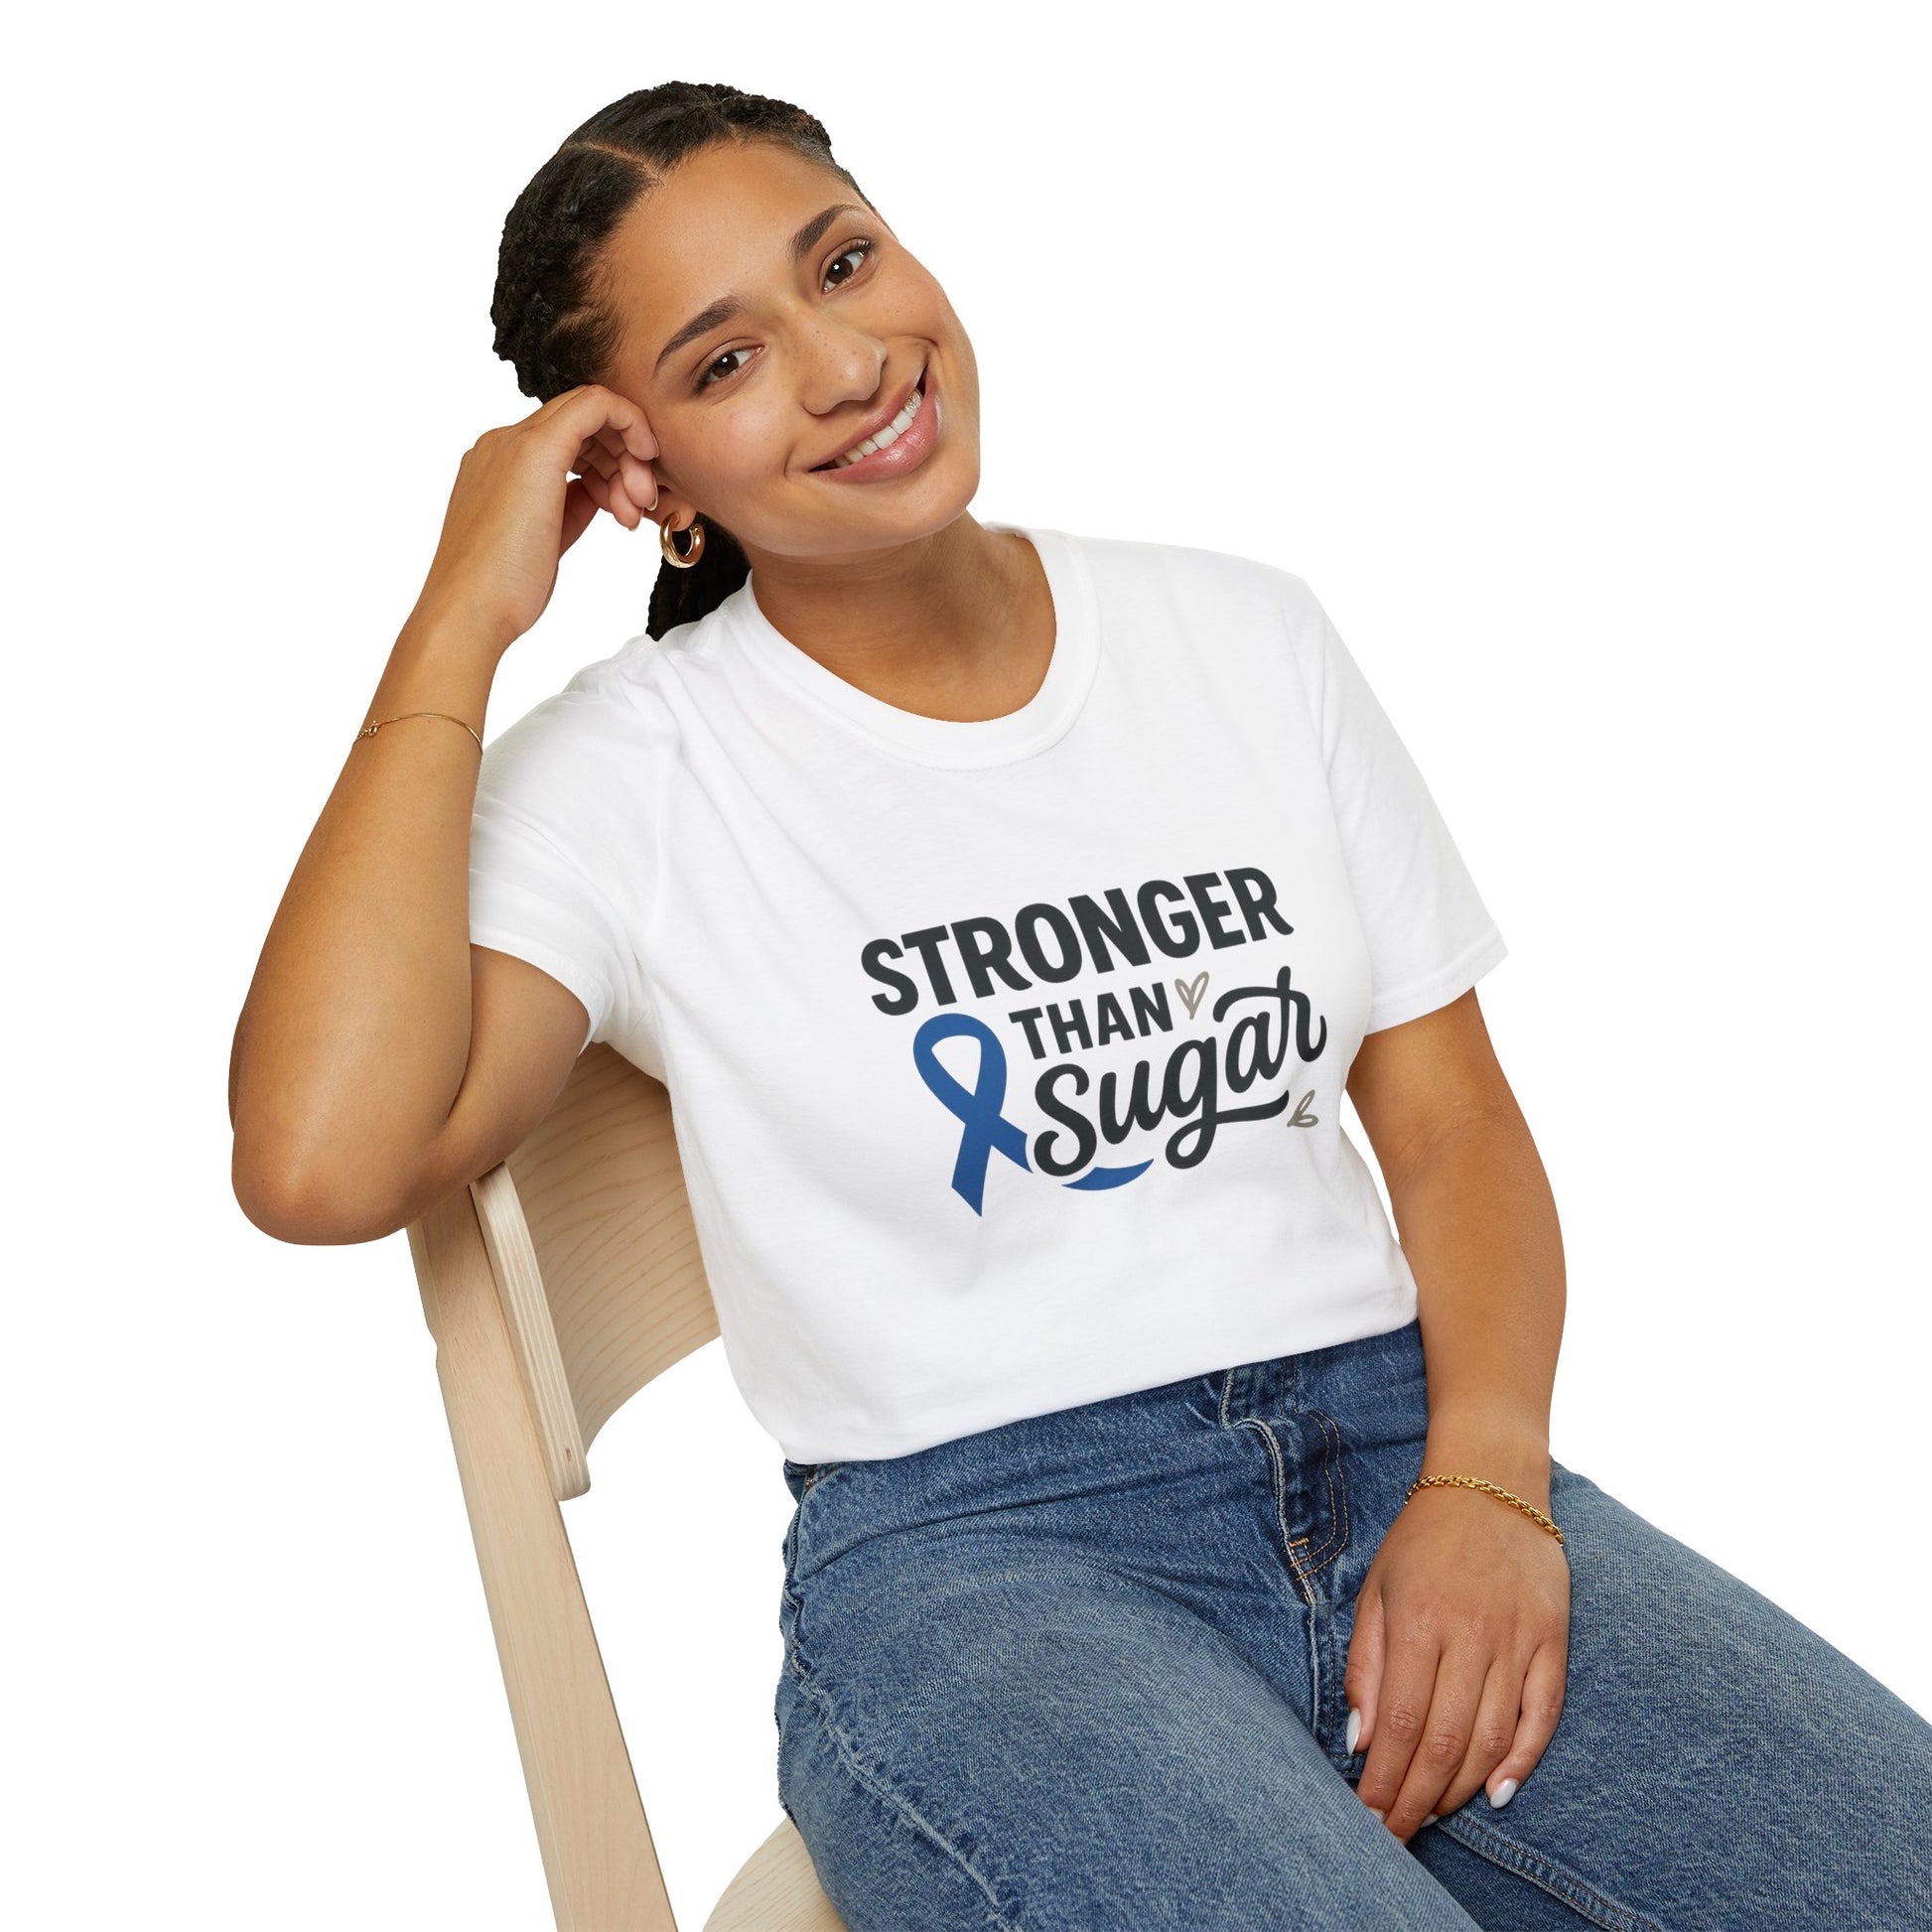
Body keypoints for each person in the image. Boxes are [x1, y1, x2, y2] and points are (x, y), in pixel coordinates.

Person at [228, 80, 1932, 1931]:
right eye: (726, 361)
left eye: (843, 264)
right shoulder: (635, 774)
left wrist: (1489, 1482)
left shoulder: (1244, 636)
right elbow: (320, 1160)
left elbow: (1450, 1125)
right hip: (982, 1567)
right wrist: (457, 617)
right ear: (649, 480)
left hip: (1403, 1447)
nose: (846, 364)